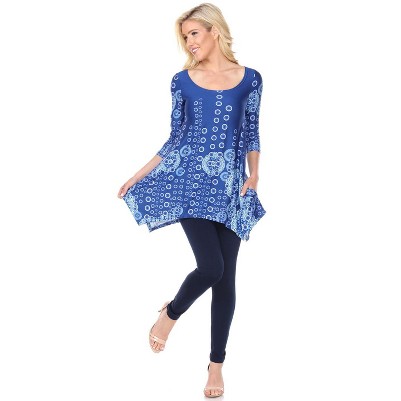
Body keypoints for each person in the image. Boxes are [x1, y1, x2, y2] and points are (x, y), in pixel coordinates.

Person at [117, 3, 266, 398]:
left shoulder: (251, 78)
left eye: (194, 34)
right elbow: (175, 138)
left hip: (232, 188)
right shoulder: (182, 81)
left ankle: (216, 366)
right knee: (211, 267)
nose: (189, 42)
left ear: (215, 31)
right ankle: (171, 313)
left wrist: (254, 175)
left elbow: (252, 131)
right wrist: (138, 174)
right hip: (189, 183)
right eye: (185, 37)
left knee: (226, 279)